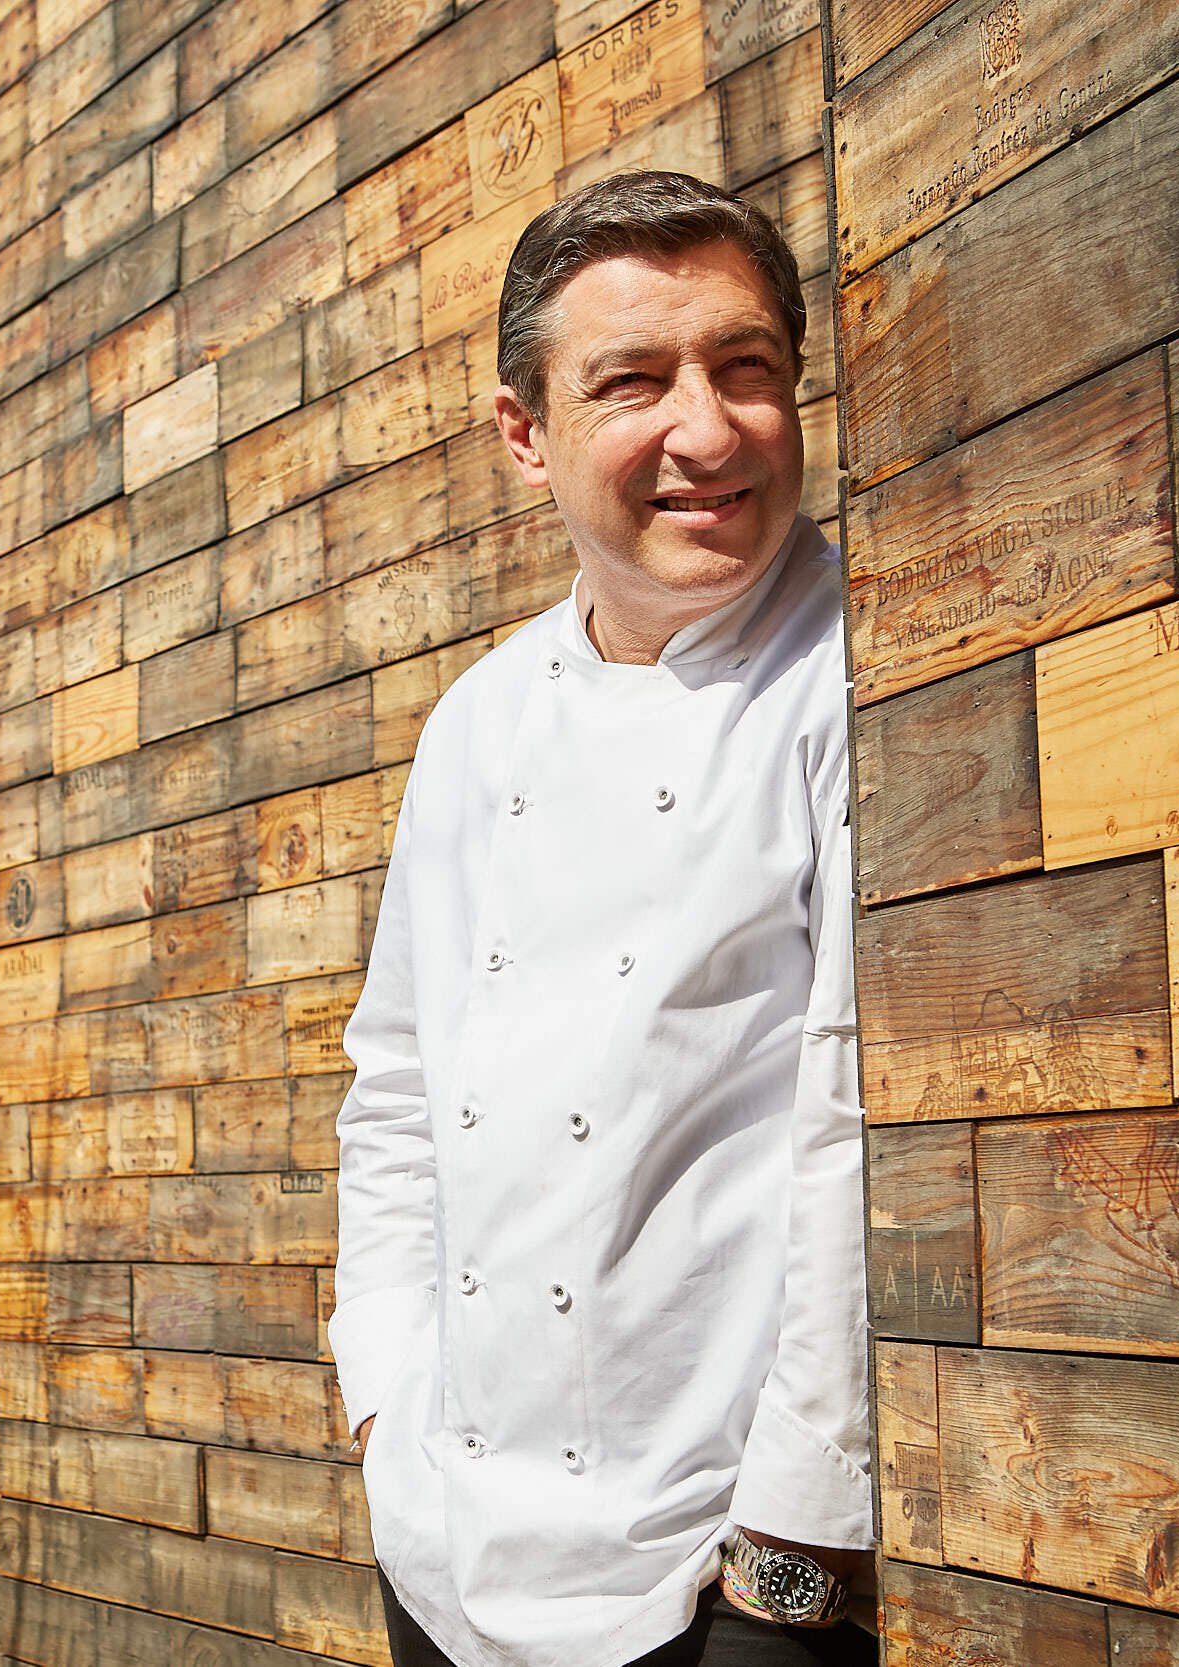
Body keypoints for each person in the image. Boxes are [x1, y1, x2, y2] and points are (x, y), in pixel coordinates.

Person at [332, 171, 874, 1667]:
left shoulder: (854, 668)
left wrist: (794, 1548)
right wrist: (382, 1391)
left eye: (745, 367)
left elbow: (849, 1120)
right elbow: (397, 1083)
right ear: (526, 434)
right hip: (448, 1541)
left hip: (728, 1568)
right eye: (635, 381)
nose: (706, 430)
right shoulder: (476, 721)